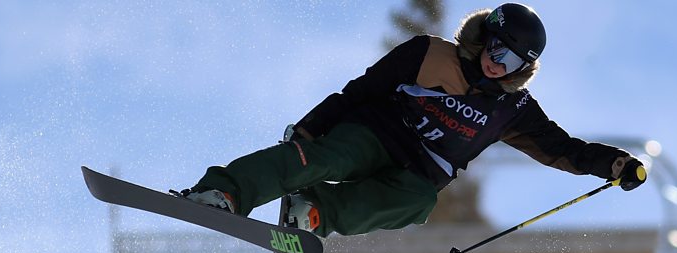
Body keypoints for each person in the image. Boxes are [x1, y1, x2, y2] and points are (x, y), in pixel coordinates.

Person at [176, 3, 647, 236]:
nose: (495, 63)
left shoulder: (513, 109)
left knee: (419, 204)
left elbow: (563, 149)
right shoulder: (429, 54)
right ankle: (225, 193)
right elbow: (359, 90)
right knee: (324, 158)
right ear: (484, 36)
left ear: (523, 69)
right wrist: (310, 127)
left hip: (419, 172)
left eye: (510, 60)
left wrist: (613, 165)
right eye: (495, 48)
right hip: (377, 133)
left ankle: (313, 212)